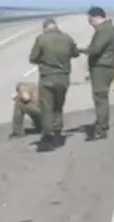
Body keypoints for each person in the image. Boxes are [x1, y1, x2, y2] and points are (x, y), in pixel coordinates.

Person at [29, 17, 80, 152]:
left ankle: (47, 135)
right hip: (63, 78)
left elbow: (32, 58)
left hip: (47, 78)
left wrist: (44, 59)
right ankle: (58, 131)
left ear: (45, 27)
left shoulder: (41, 39)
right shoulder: (67, 38)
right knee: (58, 105)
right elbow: (75, 53)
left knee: (46, 108)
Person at [80, 6, 114, 141]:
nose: (89, 22)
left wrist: (81, 50)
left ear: (96, 17)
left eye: (90, 19)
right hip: (103, 68)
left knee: (100, 98)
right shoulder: (106, 29)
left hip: (102, 69)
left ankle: (101, 129)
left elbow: (95, 49)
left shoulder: (105, 30)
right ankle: (103, 124)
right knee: (101, 98)